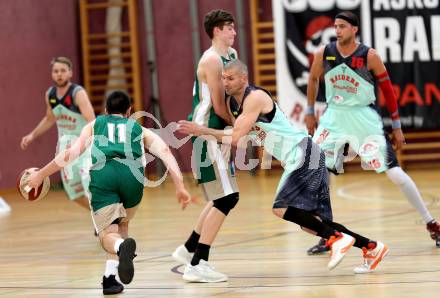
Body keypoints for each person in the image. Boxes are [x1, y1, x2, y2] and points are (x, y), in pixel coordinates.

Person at [178, 59, 389, 274]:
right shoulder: (235, 104)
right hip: (307, 157)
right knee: (312, 224)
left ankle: (336, 238)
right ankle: (371, 247)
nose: (225, 83)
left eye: (230, 78)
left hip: (303, 153)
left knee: (280, 208)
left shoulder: (255, 98)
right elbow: (239, 136)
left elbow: (236, 137)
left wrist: (201, 130)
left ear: (244, 78)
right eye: (223, 78)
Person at [26, 91, 192, 295]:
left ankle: (122, 248)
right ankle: (110, 279)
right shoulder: (137, 128)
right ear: (129, 111)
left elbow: (70, 154)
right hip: (133, 178)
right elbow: (164, 151)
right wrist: (180, 185)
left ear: (105, 110)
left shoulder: (96, 124)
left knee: (107, 234)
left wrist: (41, 174)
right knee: (122, 225)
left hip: (105, 176)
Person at [304, 11, 440, 254]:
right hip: (334, 115)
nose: (337, 31)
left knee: (395, 173)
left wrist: (397, 126)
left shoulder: (369, 56)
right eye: (335, 26)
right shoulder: (324, 52)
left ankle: (432, 223)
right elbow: (313, 80)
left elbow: (388, 92)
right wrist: (309, 111)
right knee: (317, 169)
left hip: (363, 117)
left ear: (354, 29)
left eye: (342, 26)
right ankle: (327, 233)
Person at [171, 9, 240, 283]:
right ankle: (198, 263)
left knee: (220, 196)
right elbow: (220, 105)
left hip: (219, 132)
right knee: (227, 198)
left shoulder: (232, 57)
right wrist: (240, 127)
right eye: (229, 28)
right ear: (216, 31)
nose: (234, 32)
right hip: (206, 134)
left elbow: (234, 94)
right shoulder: (211, 61)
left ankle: (188, 250)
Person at [21, 57, 95, 210]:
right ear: (52, 74)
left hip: (84, 148)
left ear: (70, 73)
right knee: (74, 193)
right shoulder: (50, 94)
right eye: (56, 71)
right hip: (64, 150)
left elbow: (92, 121)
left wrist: (85, 143)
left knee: (91, 188)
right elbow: (49, 119)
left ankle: (107, 219)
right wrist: (32, 135)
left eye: (63, 71)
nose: (59, 74)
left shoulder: (77, 93)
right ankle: (99, 215)